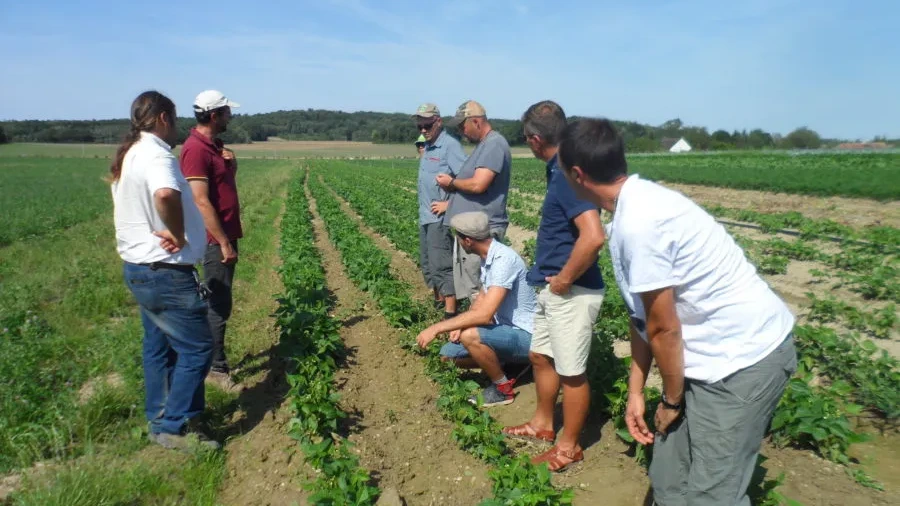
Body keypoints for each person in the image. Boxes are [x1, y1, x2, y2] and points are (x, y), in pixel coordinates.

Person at [558, 118, 797, 505]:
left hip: (742, 361)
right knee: (669, 478)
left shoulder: (641, 223)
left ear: (578, 174)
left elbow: (664, 330)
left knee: (712, 494)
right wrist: (636, 391)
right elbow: (645, 320)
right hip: (702, 358)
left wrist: (670, 400)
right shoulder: (629, 210)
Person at [111, 90, 218, 450]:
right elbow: (165, 195)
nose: (176, 127)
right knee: (198, 348)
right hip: (165, 273)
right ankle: (175, 426)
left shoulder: (130, 155)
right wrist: (177, 232)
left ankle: (159, 417)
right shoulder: (156, 154)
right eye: (173, 119)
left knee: (158, 347)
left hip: (141, 269)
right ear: (162, 119)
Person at [502, 101, 606, 472]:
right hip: (555, 289)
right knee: (540, 357)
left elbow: (593, 237)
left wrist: (564, 279)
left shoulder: (564, 172)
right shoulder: (560, 168)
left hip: (571, 291)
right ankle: (543, 424)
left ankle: (569, 447)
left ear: (533, 139)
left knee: (571, 372)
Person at [415, 212, 535, 406]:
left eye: (458, 238)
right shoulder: (486, 256)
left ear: (468, 241)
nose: (458, 243)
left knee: (470, 335)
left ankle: (503, 390)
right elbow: (481, 299)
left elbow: (485, 314)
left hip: (526, 335)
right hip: (505, 330)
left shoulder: (503, 260)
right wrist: (458, 325)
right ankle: (505, 363)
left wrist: (437, 328)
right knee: (448, 355)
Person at [180, 90, 242, 385]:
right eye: (228, 111)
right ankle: (215, 369)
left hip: (224, 236)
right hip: (214, 240)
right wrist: (223, 242)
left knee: (223, 300)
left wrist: (231, 163)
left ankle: (215, 362)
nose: (232, 115)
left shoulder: (215, 146)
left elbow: (225, 184)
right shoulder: (195, 149)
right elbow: (201, 202)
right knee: (217, 303)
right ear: (215, 115)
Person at [438, 100, 511, 301]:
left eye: (463, 126)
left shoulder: (494, 144)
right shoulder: (484, 145)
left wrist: (452, 183)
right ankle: (475, 328)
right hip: (471, 233)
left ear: (477, 121)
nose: (462, 131)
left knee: (479, 289)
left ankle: (482, 330)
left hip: (481, 232)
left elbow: (479, 185)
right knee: (473, 289)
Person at [412, 104, 467, 318]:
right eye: (420, 126)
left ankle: (451, 315)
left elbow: (467, 180)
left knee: (441, 265)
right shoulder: (429, 146)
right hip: (425, 215)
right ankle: (439, 303)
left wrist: (449, 205)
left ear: (438, 121)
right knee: (428, 264)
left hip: (439, 217)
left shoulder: (449, 146)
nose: (423, 130)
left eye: (427, 125)